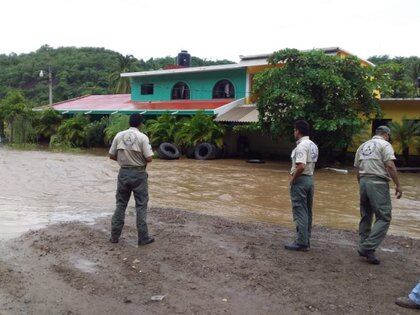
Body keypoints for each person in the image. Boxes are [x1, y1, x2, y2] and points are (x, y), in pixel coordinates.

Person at [354, 125, 402, 264]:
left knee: (366, 215)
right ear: (386, 135)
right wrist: (398, 185)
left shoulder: (362, 146)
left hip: (363, 181)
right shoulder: (385, 144)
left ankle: (365, 246)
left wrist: (362, 184)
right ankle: (367, 247)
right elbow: (390, 166)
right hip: (378, 182)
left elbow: (357, 168)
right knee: (384, 216)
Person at [108, 113, 155, 246]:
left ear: (129, 122)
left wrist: (124, 160)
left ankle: (114, 237)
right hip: (139, 174)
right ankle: (143, 238)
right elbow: (149, 158)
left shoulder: (119, 135)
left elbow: (111, 155)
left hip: (123, 173)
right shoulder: (142, 137)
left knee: (121, 204)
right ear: (140, 124)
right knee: (141, 205)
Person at [285, 120, 318, 251]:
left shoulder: (301, 146)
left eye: (294, 130)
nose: (294, 132)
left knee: (300, 211)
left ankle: (301, 242)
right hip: (310, 180)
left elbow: (301, 166)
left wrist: (293, 179)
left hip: (301, 180)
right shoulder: (313, 145)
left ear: (298, 131)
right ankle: (305, 239)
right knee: (307, 211)